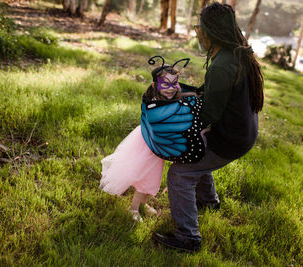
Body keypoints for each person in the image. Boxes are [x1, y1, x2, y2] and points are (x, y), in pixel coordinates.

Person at [152, 2, 264, 252]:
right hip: (242, 133)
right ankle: (209, 202)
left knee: (180, 173)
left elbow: (209, 115)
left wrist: (174, 125)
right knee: (198, 154)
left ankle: (188, 238)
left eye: (199, 28)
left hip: (231, 139)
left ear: (211, 31)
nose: (198, 33)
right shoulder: (235, 52)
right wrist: (185, 94)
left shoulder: (223, 65)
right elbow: (214, 97)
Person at [100, 62, 197, 222]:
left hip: (158, 144)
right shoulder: (154, 102)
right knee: (145, 176)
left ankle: (144, 203)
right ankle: (134, 208)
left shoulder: (171, 97)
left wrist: (192, 95)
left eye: (175, 83)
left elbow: (181, 99)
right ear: (155, 85)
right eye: (166, 84)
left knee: (153, 176)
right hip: (148, 144)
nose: (171, 88)